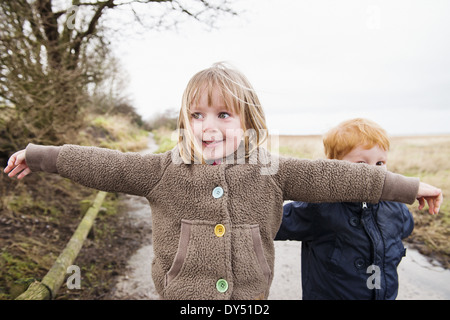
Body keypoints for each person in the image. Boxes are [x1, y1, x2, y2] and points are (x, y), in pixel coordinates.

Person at [4, 63, 442, 300]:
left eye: (223, 114)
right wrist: (42, 156)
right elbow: (107, 164)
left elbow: (338, 176)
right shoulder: (164, 171)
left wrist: (407, 187)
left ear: (249, 121)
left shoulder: (273, 170)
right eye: (196, 115)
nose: (207, 126)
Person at [275, 118, 430, 300]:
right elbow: (270, 222)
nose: (374, 173)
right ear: (333, 167)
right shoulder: (318, 208)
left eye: (380, 163)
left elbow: (405, 227)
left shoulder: (395, 207)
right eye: (361, 165)